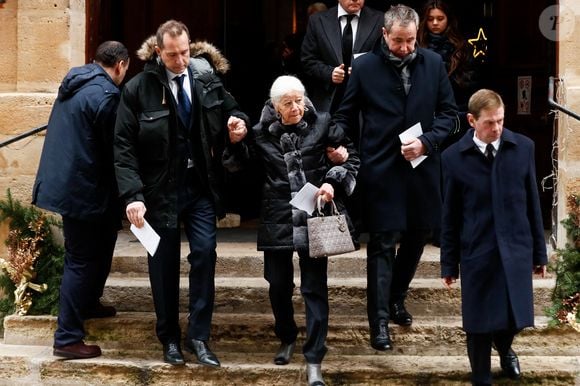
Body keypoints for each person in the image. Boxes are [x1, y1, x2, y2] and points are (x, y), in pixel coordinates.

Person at [113, 20, 249, 367]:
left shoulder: (206, 78)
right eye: (173, 55)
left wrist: (237, 126)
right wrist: (133, 195)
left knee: (205, 252)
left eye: (186, 52)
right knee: (163, 264)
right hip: (159, 191)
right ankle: (169, 338)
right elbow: (123, 147)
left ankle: (199, 337)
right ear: (158, 51)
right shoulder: (139, 88)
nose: (181, 60)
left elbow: (233, 110)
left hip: (200, 185)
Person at [332, 4, 457, 350]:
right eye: (398, 41)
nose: (405, 48)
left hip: (422, 168)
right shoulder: (365, 66)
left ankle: (396, 297)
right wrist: (333, 138)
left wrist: (426, 143)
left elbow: (449, 115)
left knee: (418, 237)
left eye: (410, 41)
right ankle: (380, 322)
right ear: (384, 35)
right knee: (383, 244)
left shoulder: (432, 63)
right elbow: (346, 114)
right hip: (381, 169)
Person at [223, 75, 359, 386]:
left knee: (314, 288)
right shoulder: (259, 134)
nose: (296, 107)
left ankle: (314, 359)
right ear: (274, 107)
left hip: (314, 217)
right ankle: (286, 336)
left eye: (299, 100)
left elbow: (350, 157)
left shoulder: (323, 123)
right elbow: (237, 168)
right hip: (277, 217)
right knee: (278, 285)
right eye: (288, 103)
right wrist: (235, 142)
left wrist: (333, 178)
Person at [440, 89, 547, 385]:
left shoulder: (523, 148)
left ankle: (505, 349)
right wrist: (448, 264)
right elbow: (450, 215)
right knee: (477, 323)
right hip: (477, 248)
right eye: (489, 122)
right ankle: (481, 377)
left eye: (501, 120)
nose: (497, 128)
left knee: (514, 317)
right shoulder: (452, 158)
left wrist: (540, 253)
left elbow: (532, 203)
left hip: (516, 247)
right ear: (472, 120)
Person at [32, 41, 130, 359]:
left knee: (101, 245)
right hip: (85, 189)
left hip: (73, 186)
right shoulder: (107, 95)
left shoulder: (75, 81)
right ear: (121, 65)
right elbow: (114, 149)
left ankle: (89, 302)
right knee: (80, 260)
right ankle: (67, 337)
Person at [301, 0, 383, 113]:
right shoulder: (318, 21)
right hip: (329, 102)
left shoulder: (380, 19)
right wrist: (329, 73)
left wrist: (364, 69)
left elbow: (386, 57)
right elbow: (308, 60)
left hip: (367, 103)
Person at [418, 0, 480, 147]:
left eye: (440, 19)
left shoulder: (461, 48)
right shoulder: (416, 46)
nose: (434, 23)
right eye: (430, 19)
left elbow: (469, 83)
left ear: (448, 20)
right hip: (424, 114)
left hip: (455, 114)